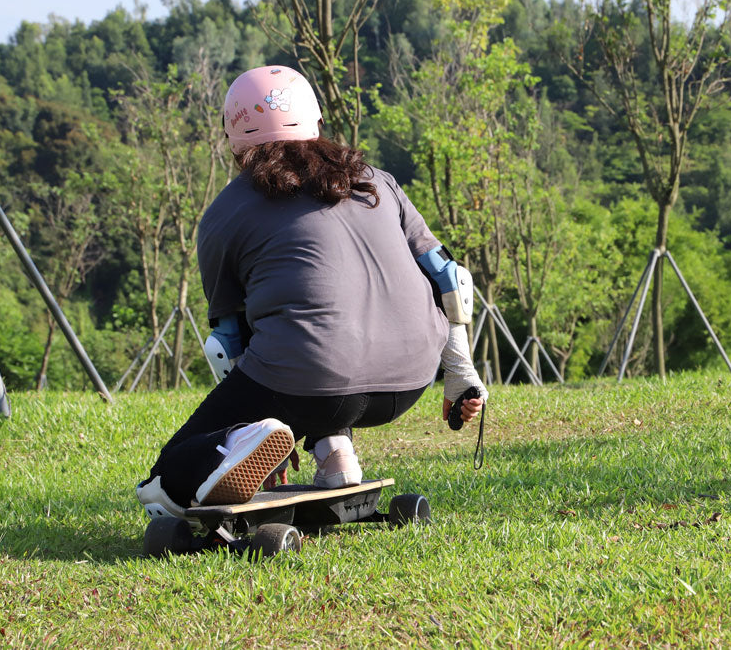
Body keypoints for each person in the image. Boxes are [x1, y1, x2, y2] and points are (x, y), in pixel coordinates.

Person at [136, 65, 486, 521]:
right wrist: (460, 375)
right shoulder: (377, 181)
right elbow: (450, 278)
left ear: (235, 138)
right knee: (324, 339)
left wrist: (257, 424)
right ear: (316, 123)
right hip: (411, 380)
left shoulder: (225, 212)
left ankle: (248, 440)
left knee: (163, 483)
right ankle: (338, 458)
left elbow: (227, 342)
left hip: (310, 384)